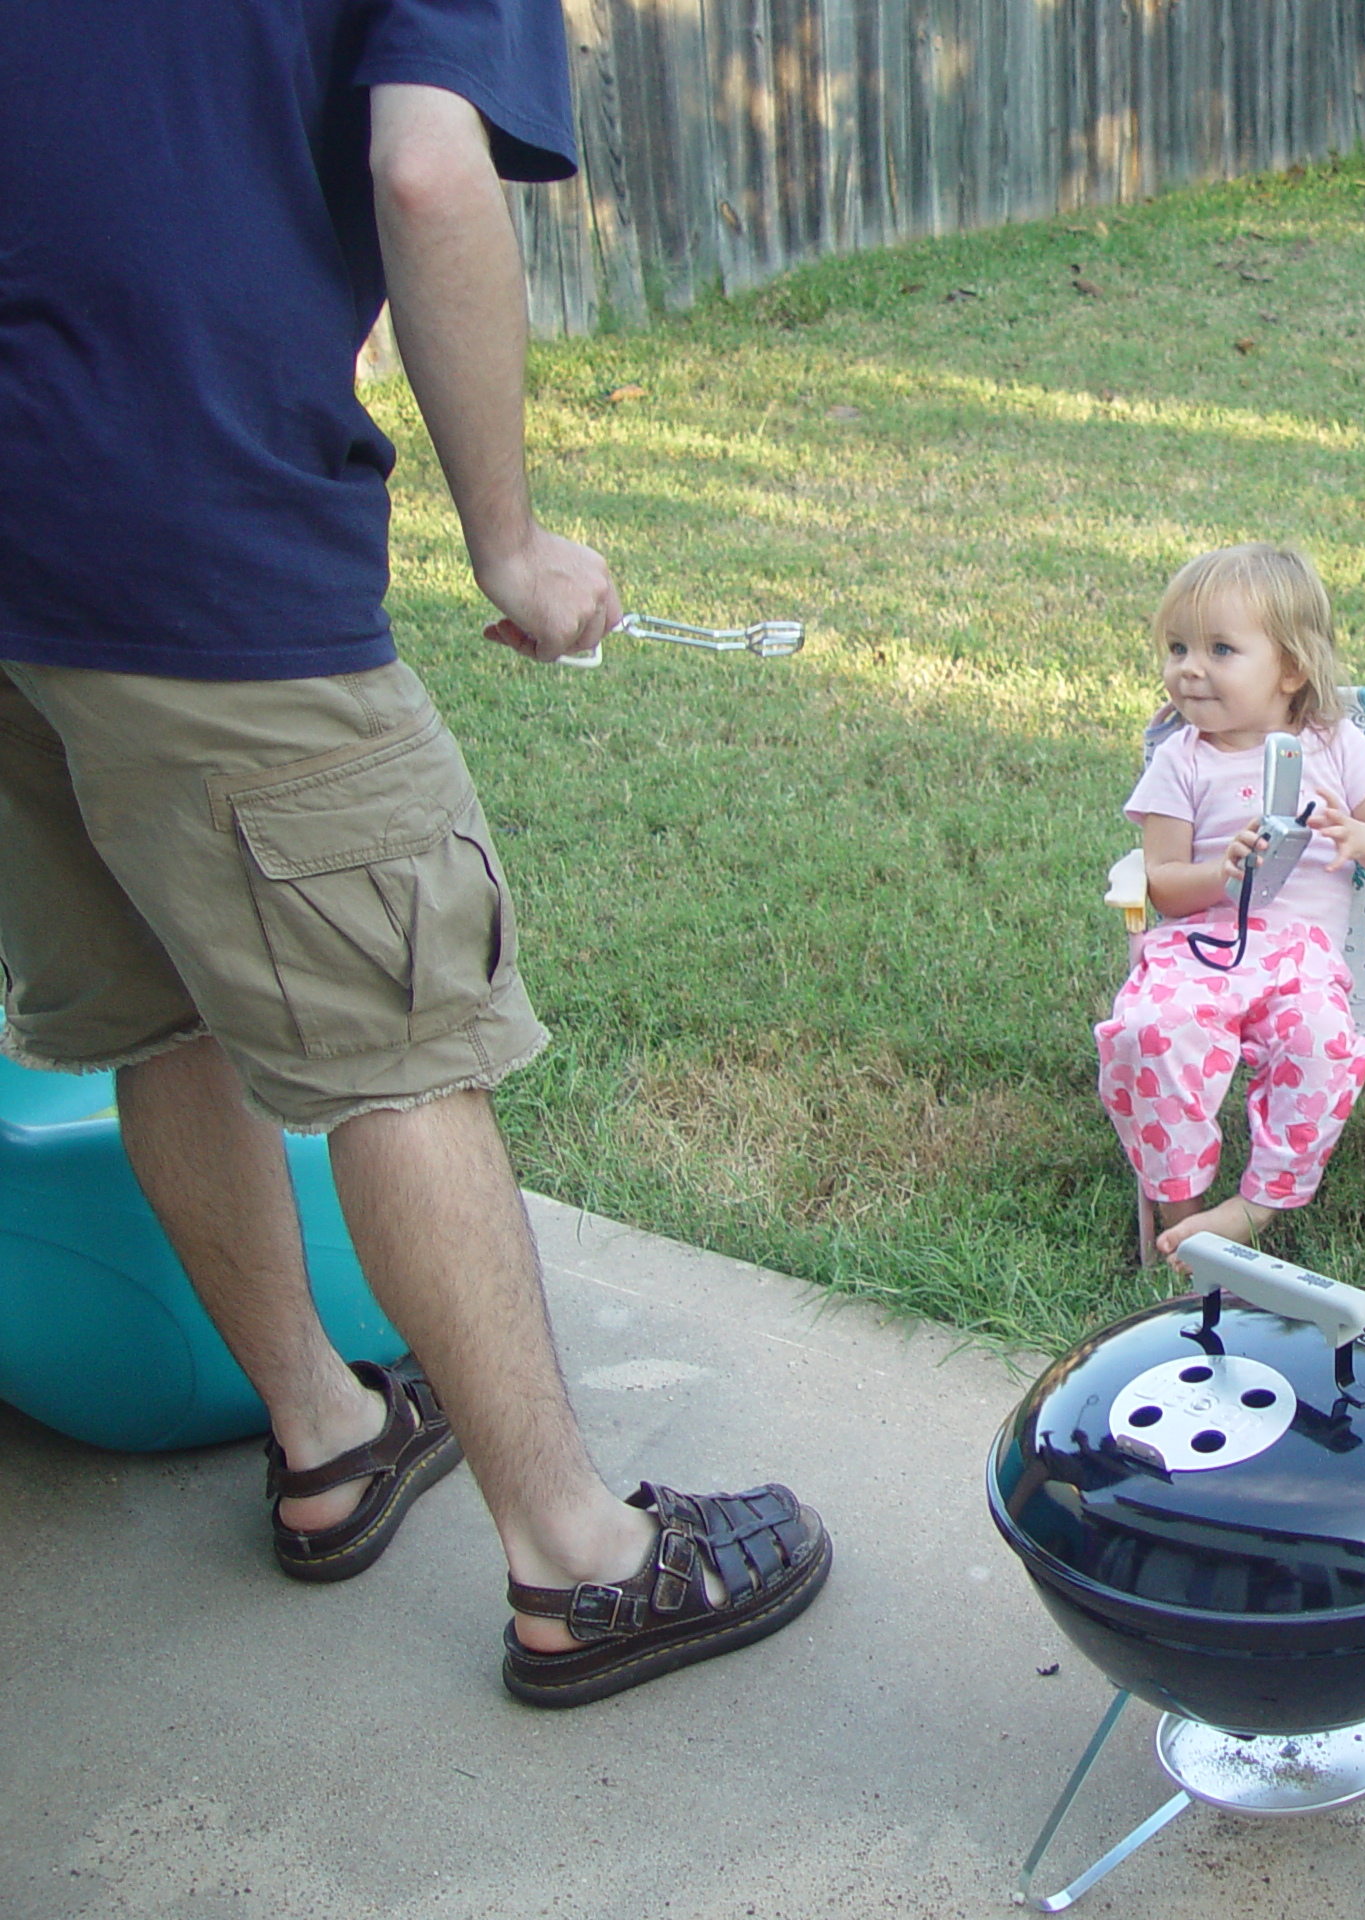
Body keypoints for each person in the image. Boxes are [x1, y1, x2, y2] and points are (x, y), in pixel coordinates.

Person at [0, 6, 829, 1704]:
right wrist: (512, 545)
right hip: (199, 541)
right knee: (407, 1051)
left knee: (157, 1009)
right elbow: (428, 171)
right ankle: (581, 1566)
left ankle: (325, 1434)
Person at [1097, 543, 1365, 1261]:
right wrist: (1221, 875)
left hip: (1300, 954)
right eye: (1177, 647)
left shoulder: (1333, 744)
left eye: (1219, 649)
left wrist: (1359, 834)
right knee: (1150, 1029)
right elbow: (1163, 885)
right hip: (1200, 948)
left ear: (1291, 668)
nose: (1189, 667)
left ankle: (1256, 1208)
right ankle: (1181, 1210)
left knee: (1323, 1042)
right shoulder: (1180, 759)